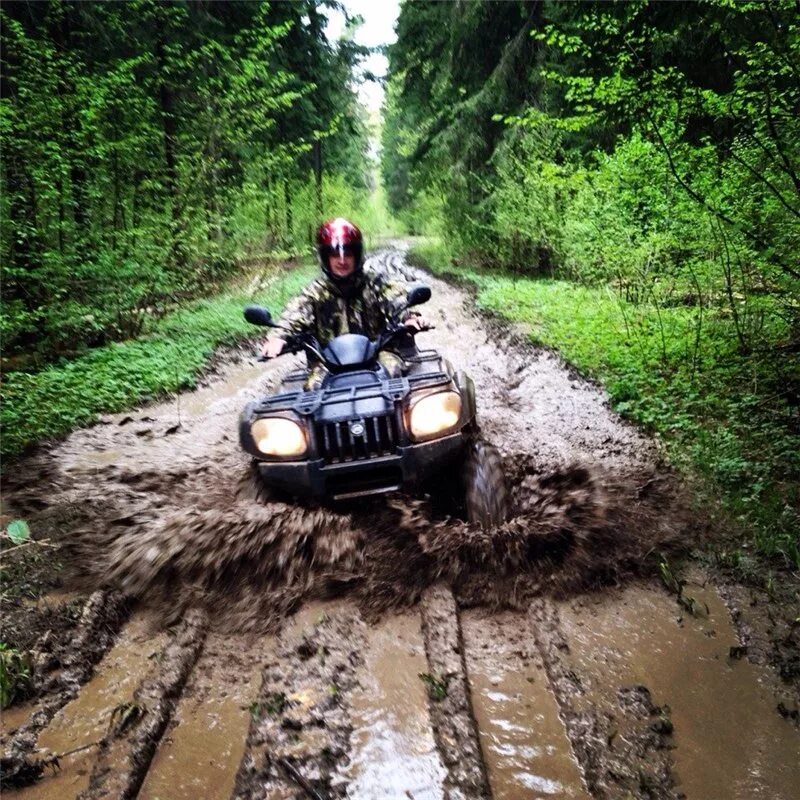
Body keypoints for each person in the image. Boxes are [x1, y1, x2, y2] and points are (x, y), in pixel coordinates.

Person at [261, 218, 430, 386]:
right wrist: (279, 336)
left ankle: (399, 412)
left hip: (377, 353)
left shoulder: (373, 282)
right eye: (335, 255)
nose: (342, 261)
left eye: (348, 254)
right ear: (325, 258)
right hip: (328, 362)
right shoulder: (315, 291)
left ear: (357, 255)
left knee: (394, 372)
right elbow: (295, 313)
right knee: (313, 387)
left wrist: (410, 316)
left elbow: (395, 297)